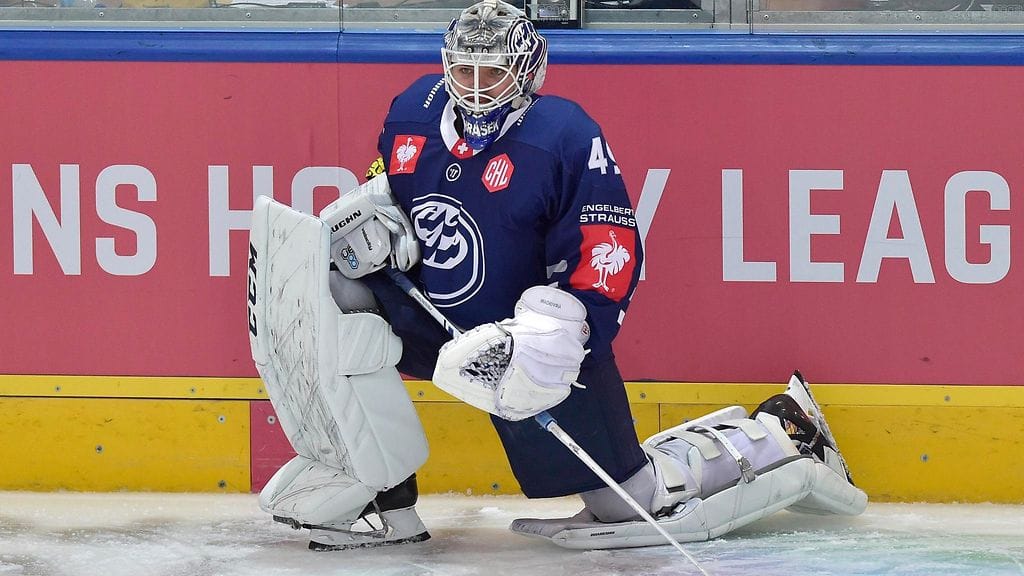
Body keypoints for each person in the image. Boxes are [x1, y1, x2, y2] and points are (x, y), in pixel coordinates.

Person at [246, 0, 866, 552]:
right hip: (429, 312)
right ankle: (380, 491)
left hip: (520, 344)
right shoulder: (413, 109)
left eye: (494, 73)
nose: (477, 87)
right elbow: (389, 184)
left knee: (623, 504)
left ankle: (781, 436)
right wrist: (382, 223)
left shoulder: (563, 135)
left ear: (529, 72)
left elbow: (611, 246)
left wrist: (568, 330)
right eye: (465, 71)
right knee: (325, 291)